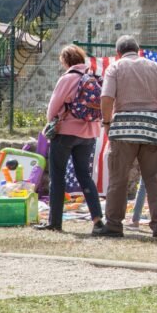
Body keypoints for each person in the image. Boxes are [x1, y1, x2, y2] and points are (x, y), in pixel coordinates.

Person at [93, 35, 157, 238]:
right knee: (153, 179)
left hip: (124, 130)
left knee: (118, 179)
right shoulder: (153, 66)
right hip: (151, 129)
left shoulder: (115, 67)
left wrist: (106, 123)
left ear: (118, 52)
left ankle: (114, 225)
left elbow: (106, 97)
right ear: (139, 50)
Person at [34, 45, 104, 232]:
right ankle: (97, 220)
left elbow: (53, 107)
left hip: (66, 132)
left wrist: (52, 124)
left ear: (65, 61)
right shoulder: (93, 78)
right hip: (89, 133)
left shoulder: (68, 78)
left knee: (57, 176)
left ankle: (55, 222)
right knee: (85, 176)